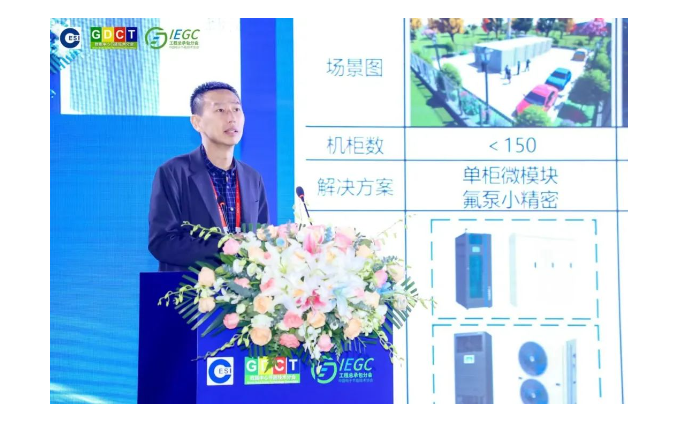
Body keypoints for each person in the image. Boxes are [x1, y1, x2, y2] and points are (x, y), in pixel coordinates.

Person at [148, 82, 270, 271]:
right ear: (196, 122)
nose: (231, 118)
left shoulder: (252, 178)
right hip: (190, 287)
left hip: (244, 287)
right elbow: (162, 242)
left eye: (236, 109)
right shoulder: (174, 172)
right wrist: (223, 246)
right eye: (220, 110)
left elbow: (262, 238)